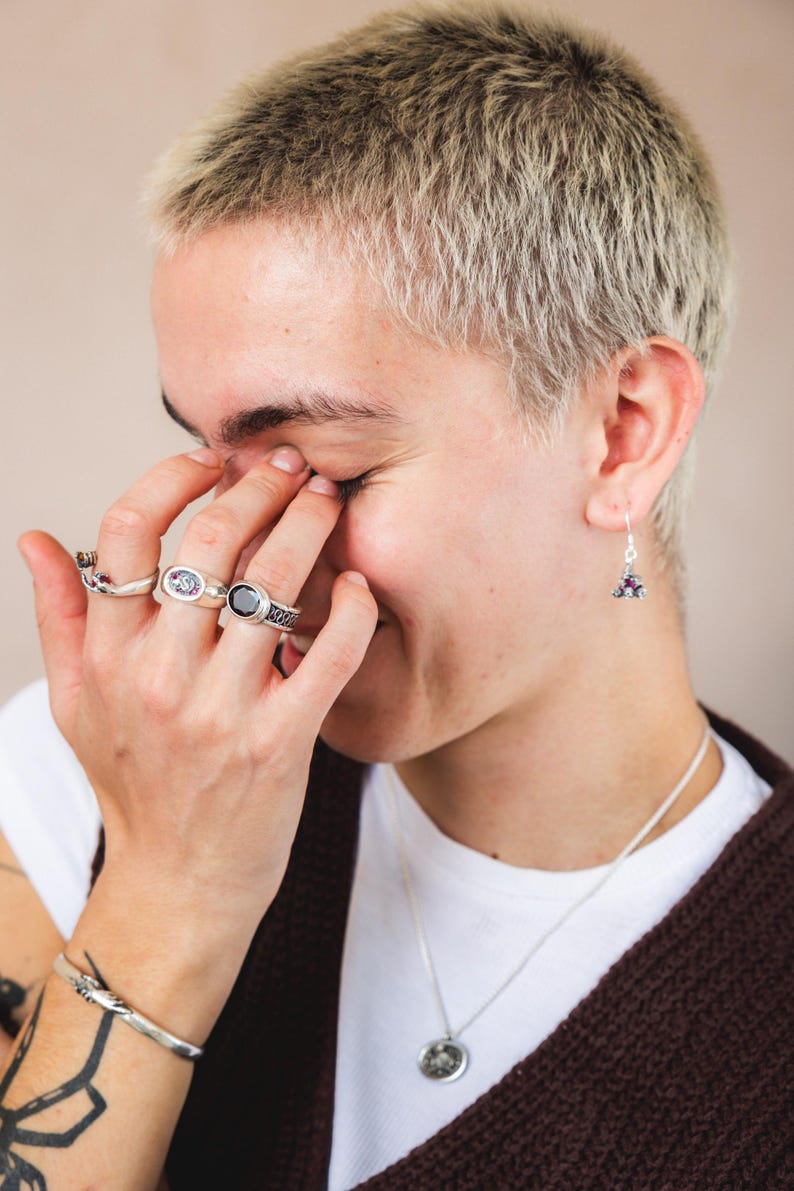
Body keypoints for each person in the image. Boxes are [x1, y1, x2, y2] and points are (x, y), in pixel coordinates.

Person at [0, 4, 790, 1187]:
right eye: (211, 458)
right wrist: (167, 898)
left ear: (623, 430)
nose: (235, 550)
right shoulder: (90, 776)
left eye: (327, 466)